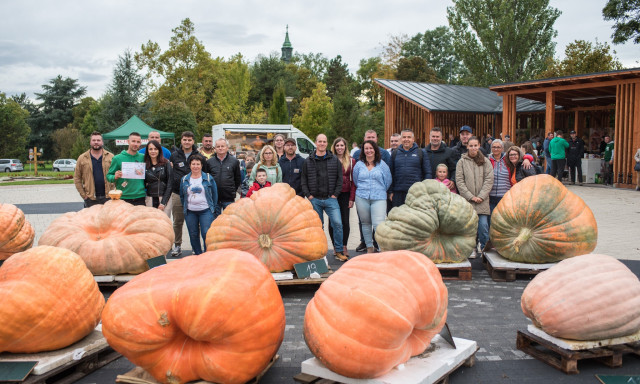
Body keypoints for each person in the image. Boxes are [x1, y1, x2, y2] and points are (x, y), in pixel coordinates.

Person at [301, 134, 345, 261]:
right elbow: (303, 180)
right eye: (319, 141)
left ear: (327, 143)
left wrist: (335, 194)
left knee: (337, 223)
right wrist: (308, 195)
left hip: (330, 199)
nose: (322, 144)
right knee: (318, 227)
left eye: (324, 141)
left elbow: (339, 179)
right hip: (315, 199)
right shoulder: (308, 161)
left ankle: (339, 251)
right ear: (315, 143)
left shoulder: (334, 159)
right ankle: (319, 253)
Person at [169, 131, 207, 257]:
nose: (187, 142)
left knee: (195, 222)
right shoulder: (174, 156)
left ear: (193, 141)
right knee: (178, 221)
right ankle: (178, 245)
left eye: (189, 140)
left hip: (195, 193)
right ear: (181, 140)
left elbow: (205, 173)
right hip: (177, 193)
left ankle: (196, 247)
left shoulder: (199, 155)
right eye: (185, 139)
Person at [456, 136, 494, 257]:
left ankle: (483, 249)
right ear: (467, 146)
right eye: (471, 146)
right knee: (469, 228)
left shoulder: (485, 161)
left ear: (479, 146)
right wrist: (471, 196)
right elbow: (460, 181)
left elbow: (489, 179)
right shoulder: (462, 162)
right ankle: (471, 248)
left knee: (483, 227)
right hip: (468, 201)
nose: (473, 148)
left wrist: (481, 196)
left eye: (475, 145)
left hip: (482, 201)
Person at [353, 140, 392, 254]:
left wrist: (379, 190)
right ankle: (369, 247)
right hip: (362, 197)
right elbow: (356, 180)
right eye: (366, 148)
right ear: (363, 151)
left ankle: (381, 248)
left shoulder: (382, 165)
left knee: (378, 223)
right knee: (365, 222)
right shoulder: (359, 165)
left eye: (371, 148)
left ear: (375, 150)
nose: (369, 150)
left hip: (378, 197)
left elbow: (388, 180)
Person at [179, 154, 217, 256]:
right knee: (193, 234)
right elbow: (182, 196)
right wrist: (186, 207)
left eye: (198, 164)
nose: (195, 166)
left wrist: (212, 208)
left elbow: (215, 194)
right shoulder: (184, 179)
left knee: (206, 233)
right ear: (190, 165)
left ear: (201, 165)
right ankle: (198, 254)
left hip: (206, 210)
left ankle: (206, 255)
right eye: (193, 164)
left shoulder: (208, 178)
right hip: (190, 211)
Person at [389, 129, 431, 207]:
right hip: (398, 193)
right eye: (404, 137)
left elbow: (427, 173)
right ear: (401, 139)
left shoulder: (421, 152)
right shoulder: (395, 153)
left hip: (416, 193)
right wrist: (391, 191)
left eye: (409, 137)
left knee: (415, 218)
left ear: (413, 139)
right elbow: (390, 173)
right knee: (399, 217)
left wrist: (425, 190)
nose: (406, 139)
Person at [328, 137, 356, 257]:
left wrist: (351, 198)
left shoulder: (351, 161)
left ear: (345, 147)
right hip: (333, 194)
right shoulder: (330, 160)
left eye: (342, 145)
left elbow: (354, 181)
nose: (339, 147)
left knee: (345, 221)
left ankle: (344, 246)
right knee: (333, 221)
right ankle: (335, 246)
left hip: (345, 193)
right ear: (334, 147)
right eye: (337, 145)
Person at [74, 131, 115, 207]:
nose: (96, 142)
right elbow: (77, 178)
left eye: (98, 140)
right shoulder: (82, 158)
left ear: (102, 142)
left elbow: (116, 176)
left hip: (108, 198)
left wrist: (115, 194)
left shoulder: (111, 157)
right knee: (91, 219)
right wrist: (84, 196)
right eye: (94, 140)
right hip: (91, 199)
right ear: (90, 142)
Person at [107, 132, 146, 206]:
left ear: (140, 143)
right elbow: (108, 176)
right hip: (123, 197)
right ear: (128, 141)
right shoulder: (117, 158)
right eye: (133, 141)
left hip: (140, 197)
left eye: (138, 142)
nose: (135, 144)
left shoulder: (143, 157)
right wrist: (114, 176)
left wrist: (168, 163)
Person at [206, 138, 241, 218]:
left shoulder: (234, 161)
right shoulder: (209, 162)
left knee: (229, 221)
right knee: (214, 221)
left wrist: (232, 190)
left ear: (227, 148)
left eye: (223, 146)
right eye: (218, 146)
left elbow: (237, 178)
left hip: (228, 198)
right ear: (215, 148)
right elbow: (207, 178)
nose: (220, 148)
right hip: (214, 198)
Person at [143, 140, 172, 215]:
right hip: (150, 198)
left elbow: (170, 184)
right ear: (147, 151)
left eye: (155, 149)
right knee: (151, 223)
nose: (153, 151)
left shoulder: (166, 163)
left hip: (164, 198)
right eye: (150, 149)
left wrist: (163, 202)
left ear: (159, 150)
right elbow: (142, 183)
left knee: (163, 223)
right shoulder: (144, 165)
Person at [488, 139, 510, 214]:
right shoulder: (487, 160)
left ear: (502, 148)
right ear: (491, 148)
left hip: (505, 195)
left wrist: (527, 158)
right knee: (491, 218)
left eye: (498, 147)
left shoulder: (508, 159)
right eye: (494, 147)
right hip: (490, 196)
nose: (496, 149)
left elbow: (520, 156)